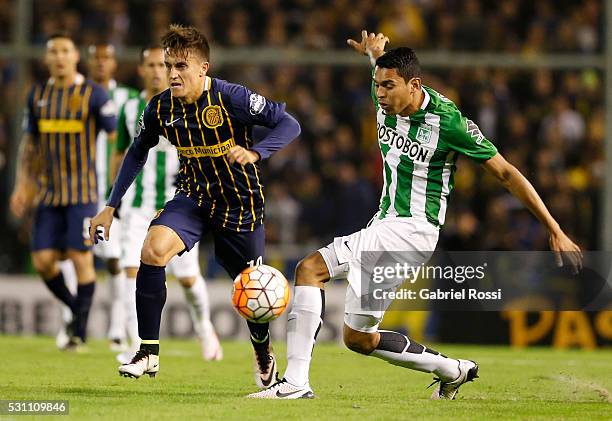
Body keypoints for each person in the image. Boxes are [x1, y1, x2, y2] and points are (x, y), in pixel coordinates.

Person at [248, 31, 583, 400]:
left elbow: (505, 173)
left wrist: (554, 229)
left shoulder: (448, 121)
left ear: (414, 85)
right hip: (386, 226)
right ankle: (453, 370)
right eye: (377, 86)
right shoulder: (388, 97)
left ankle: (295, 384)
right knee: (358, 339)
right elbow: (382, 70)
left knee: (310, 269)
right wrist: (375, 54)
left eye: (388, 87)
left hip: (412, 230)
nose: (380, 94)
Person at [89, 24, 301, 383]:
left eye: (180, 66)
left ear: (203, 68)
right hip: (193, 197)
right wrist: (111, 205)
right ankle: (148, 352)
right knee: (152, 251)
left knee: (251, 287)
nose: (172, 73)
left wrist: (255, 151)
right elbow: (136, 151)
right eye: (169, 65)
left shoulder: (231, 97)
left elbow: (288, 124)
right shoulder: (160, 107)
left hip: (240, 203)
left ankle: (262, 351)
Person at [114, 46, 222, 363]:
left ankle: (205, 329)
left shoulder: (188, 104)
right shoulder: (132, 107)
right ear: (141, 70)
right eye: (149, 65)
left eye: (160, 65)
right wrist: (113, 200)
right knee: (132, 271)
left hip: (178, 204)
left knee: (188, 279)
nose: (156, 71)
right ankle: (139, 347)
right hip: (137, 204)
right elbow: (123, 155)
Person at [10, 33, 117, 351]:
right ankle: (75, 309)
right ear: (46, 59)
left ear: (75, 57)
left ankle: (78, 331)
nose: (59, 57)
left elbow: (114, 139)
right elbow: (30, 145)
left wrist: (112, 185)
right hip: (47, 193)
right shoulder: (38, 95)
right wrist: (21, 184)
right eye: (53, 51)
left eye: (65, 51)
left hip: (83, 194)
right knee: (42, 261)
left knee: (80, 258)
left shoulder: (94, 94)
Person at [88, 43, 140, 351]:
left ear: (115, 64)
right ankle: (74, 323)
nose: (101, 64)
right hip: (81, 187)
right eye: (96, 58)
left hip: (116, 192)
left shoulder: (131, 100)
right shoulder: (77, 95)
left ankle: (117, 327)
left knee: (117, 258)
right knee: (83, 255)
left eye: (106, 58)